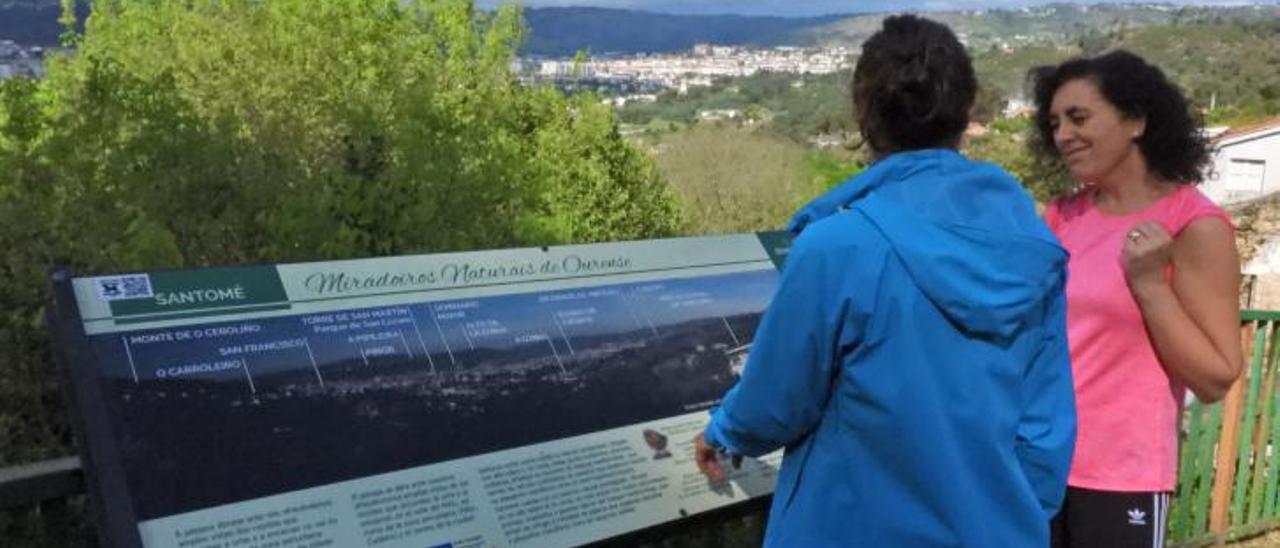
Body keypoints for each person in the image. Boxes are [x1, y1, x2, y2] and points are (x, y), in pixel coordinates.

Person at [692, 15, 1076, 546]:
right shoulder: (1033, 247)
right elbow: (1046, 425)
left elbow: (777, 400)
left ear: (863, 114)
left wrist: (723, 431)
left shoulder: (837, 246)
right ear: (967, 112)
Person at [1030, 50, 1244, 548]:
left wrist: (1150, 286)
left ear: (1136, 120)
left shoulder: (1194, 224)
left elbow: (1215, 376)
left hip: (1121, 479)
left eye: (1079, 117)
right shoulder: (1062, 217)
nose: (1063, 134)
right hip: (1040, 463)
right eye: (1055, 122)